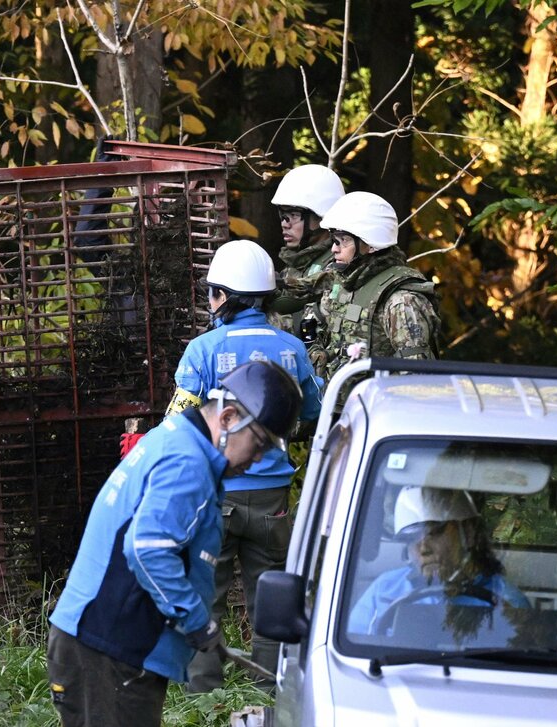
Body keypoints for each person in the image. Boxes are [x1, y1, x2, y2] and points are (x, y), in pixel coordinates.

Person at [48, 360, 303, 727]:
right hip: (108, 649)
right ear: (229, 417)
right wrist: (197, 621)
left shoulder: (177, 439)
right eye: (259, 443)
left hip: (104, 645)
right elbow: (148, 550)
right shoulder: (187, 462)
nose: (258, 459)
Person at [164, 240, 323, 692]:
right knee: (270, 596)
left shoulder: (202, 349)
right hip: (273, 497)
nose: (210, 302)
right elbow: (312, 412)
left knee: (205, 592)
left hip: (218, 494)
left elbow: (179, 421)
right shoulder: (293, 348)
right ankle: (270, 689)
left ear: (227, 297)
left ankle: (203, 692)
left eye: (213, 292)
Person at [348, 486, 528, 636]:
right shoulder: (384, 589)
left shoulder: (506, 599)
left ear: (469, 532)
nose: (423, 548)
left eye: (434, 533)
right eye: (412, 539)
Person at [308, 191, 440, 380]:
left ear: (370, 245)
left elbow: (415, 378)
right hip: (336, 403)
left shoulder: (401, 300)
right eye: (335, 239)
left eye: (343, 240)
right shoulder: (345, 284)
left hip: (377, 406)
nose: (334, 248)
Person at [269, 164, 345, 346]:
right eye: (283, 215)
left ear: (320, 218)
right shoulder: (297, 263)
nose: (284, 224)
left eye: (293, 215)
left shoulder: (339, 263)